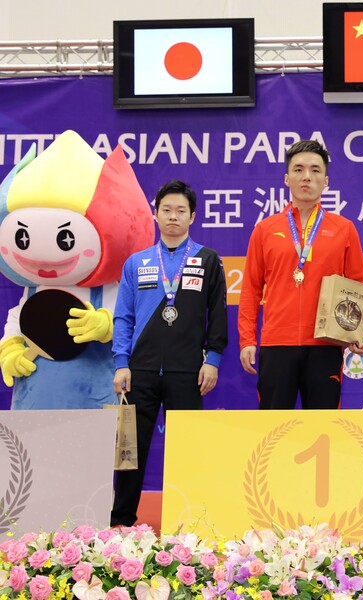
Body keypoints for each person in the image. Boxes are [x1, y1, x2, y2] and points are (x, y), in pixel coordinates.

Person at [111, 179, 228, 527]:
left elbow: (218, 315)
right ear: (155, 214)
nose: (173, 217)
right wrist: (121, 363)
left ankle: (186, 524)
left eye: (181, 211)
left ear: (192, 216)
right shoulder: (137, 262)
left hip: (188, 371)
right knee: (129, 452)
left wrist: (213, 360)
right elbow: (124, 316)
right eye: (166, 210)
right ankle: (121, 522)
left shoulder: (208, 260)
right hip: (140, 371)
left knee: (188, 451)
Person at [238, 139, 363, 409]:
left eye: (315, 170)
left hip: (326, 343)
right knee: (274, 430)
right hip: (277, 345)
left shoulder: (344, 228)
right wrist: (247, 339)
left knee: (323, 430)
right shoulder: (265, 229)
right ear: (286, 179)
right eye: (298, 170)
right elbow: (251, 288)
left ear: (326, 180)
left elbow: (359, 284)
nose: (306, 177)